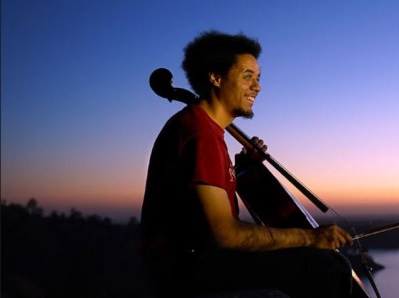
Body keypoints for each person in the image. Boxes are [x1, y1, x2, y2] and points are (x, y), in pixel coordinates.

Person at [140, 30, 355, 298]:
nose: (258, 86)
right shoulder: (200, 133)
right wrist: (312, 237)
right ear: (216, 78)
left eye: (258, 78)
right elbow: (226, 234)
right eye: (247, 76)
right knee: (329, 268)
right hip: (188, 274)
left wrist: (242, 170)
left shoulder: (206, 130)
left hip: (193, 265)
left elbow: (197, 202)